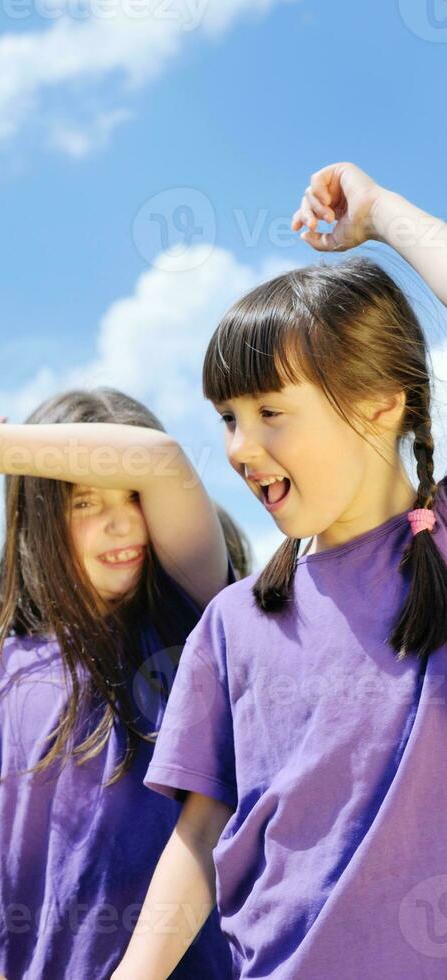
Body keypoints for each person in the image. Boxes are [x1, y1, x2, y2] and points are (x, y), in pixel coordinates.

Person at [117, 163, 447, 978]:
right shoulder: (234, 622)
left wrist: (382, 213)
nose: (239, 447)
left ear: (382, 403)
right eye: (228, 418)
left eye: (271, 412)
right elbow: (200, 835)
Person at [0, 363, 232, 977]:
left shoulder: (194, 626)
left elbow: (163, 460)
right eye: (86, 501)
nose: (121, 522)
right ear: (40, 519)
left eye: (133, 497)